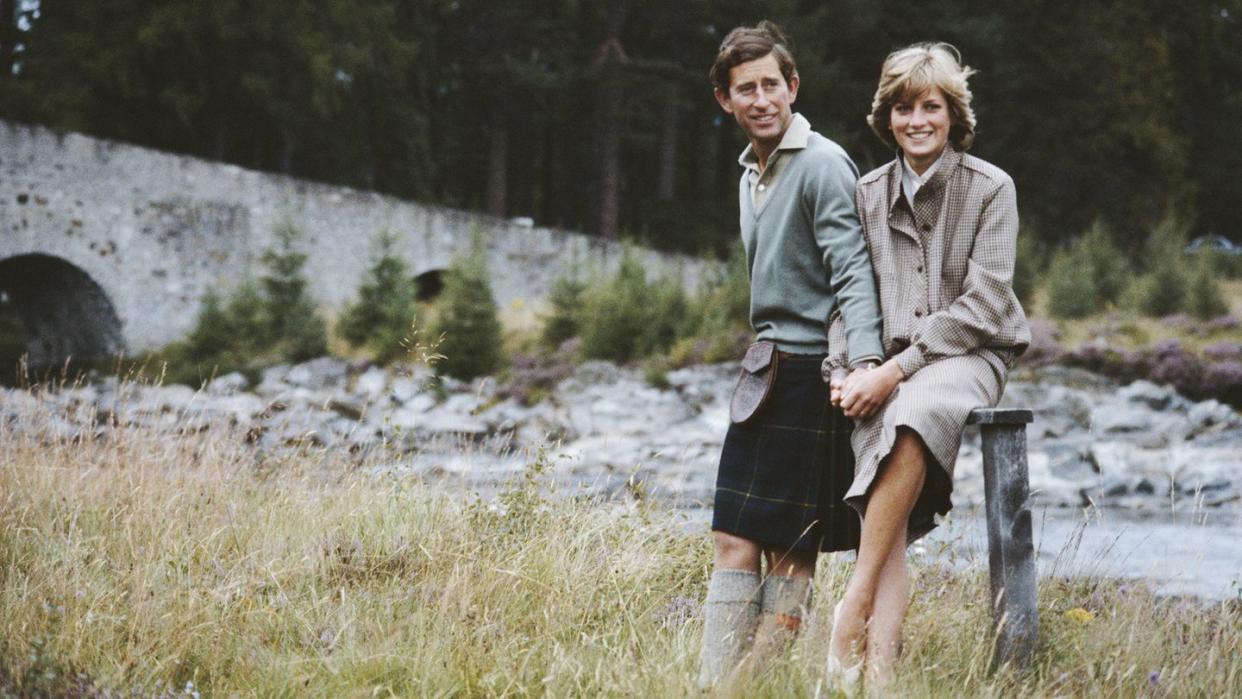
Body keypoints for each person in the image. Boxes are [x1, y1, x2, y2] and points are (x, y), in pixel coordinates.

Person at [822, 42, 1031, 689]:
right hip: (884, 359)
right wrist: (845, 368)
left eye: (931, 106)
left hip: (970, 355)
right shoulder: (867, 192)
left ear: (953, 114)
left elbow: (987, 301)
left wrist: (895, 369)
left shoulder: (992, 188)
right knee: (883, 433)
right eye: (905, 107)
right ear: (887, 117)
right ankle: (880, 674)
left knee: (910, 411)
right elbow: (847, 293)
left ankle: (852, 602)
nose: (918, 120)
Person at [697, 20, 885, 688]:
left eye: (771, 84)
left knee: (791, 549)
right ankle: (719, 684)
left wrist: (865, 365)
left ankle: (750, 686)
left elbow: (853, 271)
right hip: (765, 367)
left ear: (793, 86)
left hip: (812, 373)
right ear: (725, 99)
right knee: (732, 537)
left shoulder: (823, 164)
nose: (761, 99)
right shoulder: (752, 169)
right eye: (745, 89)